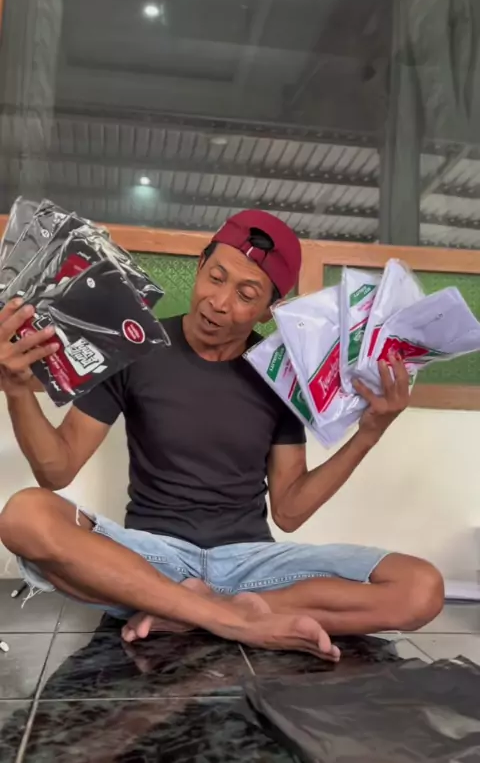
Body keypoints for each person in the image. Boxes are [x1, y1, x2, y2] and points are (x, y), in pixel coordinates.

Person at [0, 210, 444, 660]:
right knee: (25, 516)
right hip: (153, 560)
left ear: (269, 309)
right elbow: (56, 471)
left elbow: (289, 511)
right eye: (216, 277)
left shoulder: (278, 374)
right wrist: (17, 390)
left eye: (245, 294)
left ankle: (189, 611)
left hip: (250, 565)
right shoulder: (135, 347)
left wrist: (370, 432)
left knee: (420, 588)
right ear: (200, 266)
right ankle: (228, 618)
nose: (219, 301)